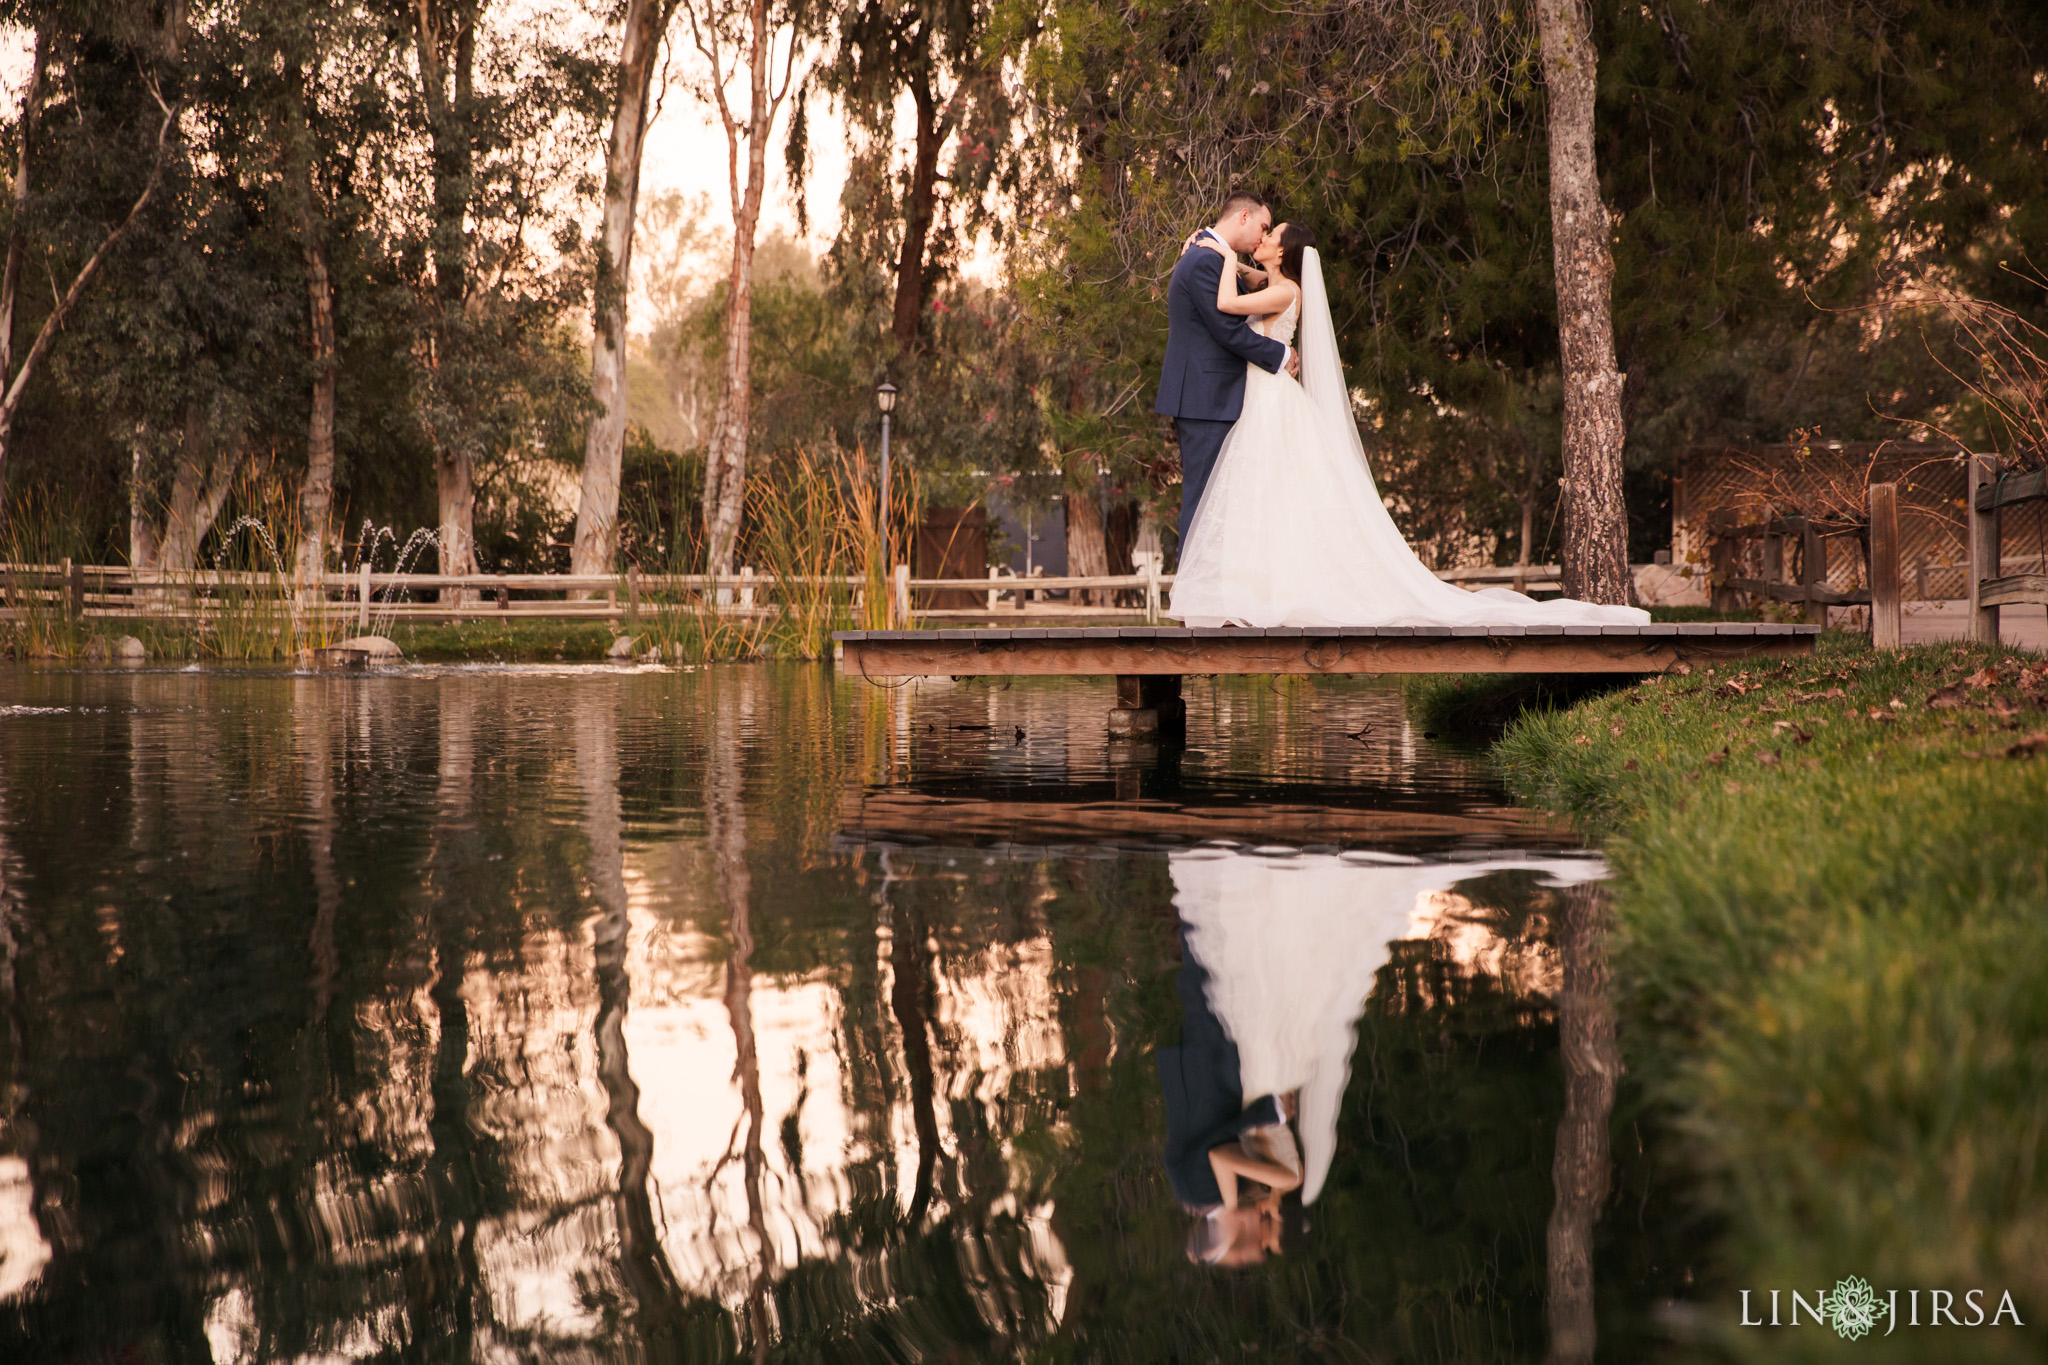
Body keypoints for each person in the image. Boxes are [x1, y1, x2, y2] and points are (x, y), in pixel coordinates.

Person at [1162, 220, 1651, 630]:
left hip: (1269, 401)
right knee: (1266, 497)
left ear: (1284, 251)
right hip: (1264, 399)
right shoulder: (1276, 284)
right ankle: (1250, 594)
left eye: (1272, 235)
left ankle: (1263, 595)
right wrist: (1237, 261)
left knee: (1268, 493)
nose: (1263, 237)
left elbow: (1227, 304)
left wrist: (1222, 254)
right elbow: (1252, 282)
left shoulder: (1283, 290)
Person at [1154, 189, 1302, 550]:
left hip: (1211, 399)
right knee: (1204, 503)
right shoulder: (1205, 260)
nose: (1262, 237)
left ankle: (1207, 597)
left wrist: (1231, 260)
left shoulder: (1211, 255)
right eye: (1262, 226)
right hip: (1206, 401)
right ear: (1243, 217)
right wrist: (1281, 355)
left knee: (1214, 504)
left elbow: (1255, 288)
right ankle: (1192, 601)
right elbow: (1227, 330)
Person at [1156, 925, 1302, 1267]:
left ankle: (1198, 888)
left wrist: (1269, 1112)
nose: (1261, 1223)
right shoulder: (1199, 1196)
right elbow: (1208, 1153)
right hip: (1205, 1073)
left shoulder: (1211, 1195)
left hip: (1206, 1072)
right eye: (1270, 1227)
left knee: (1204, 973)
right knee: (1211, 974)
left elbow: (1215, 1151)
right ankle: (1204, 893)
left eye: (1258, 1236)